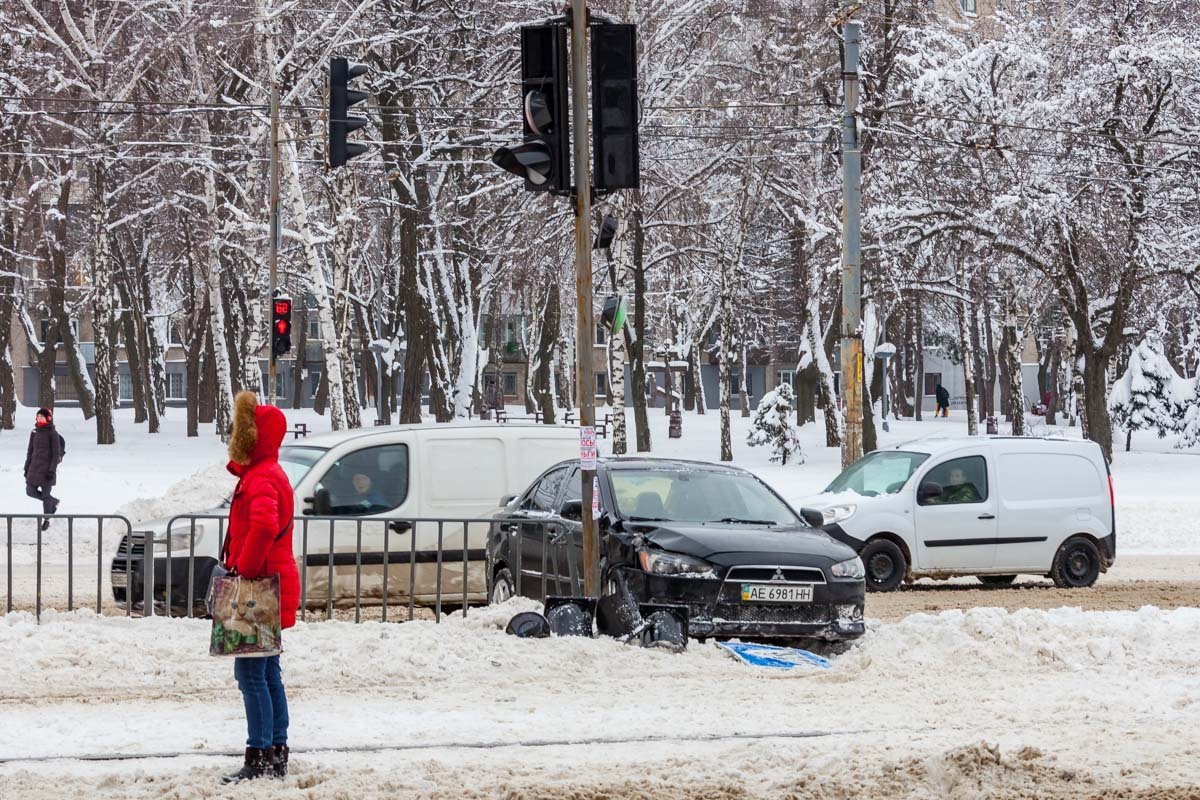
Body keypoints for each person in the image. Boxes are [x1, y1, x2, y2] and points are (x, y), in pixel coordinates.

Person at [221, 391, 300, 783]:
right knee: (267, 673)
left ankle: (260, 757)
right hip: (271, 584)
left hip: (260, 588)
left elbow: (265, 526)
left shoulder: (263, 477)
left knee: (251, 676)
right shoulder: (266, 473)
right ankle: (276, 751)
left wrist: (243, 570)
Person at [24, 407, 63, 531]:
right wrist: (26, 467)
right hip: (34, 469)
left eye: (42, 416)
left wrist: (52, 470)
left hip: (47, 471)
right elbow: (30, 451)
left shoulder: (53, 433)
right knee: (30, 491)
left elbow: (56, 454)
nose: (39, 418)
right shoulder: (34, 432)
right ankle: (54, 501)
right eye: (38, 416)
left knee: (45, 496)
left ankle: (47, 519)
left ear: (48, 418)